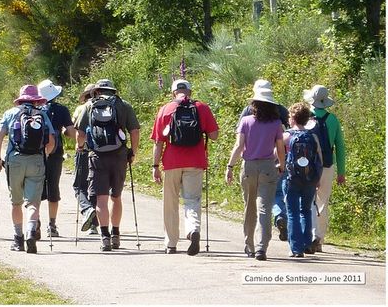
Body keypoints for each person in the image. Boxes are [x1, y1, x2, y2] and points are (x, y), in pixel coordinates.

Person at [151, 79, 219, 255]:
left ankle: (171, 243)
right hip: (195, 161)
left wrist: (155, 166)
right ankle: (193, 229)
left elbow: (158, 142)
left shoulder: (165, 109)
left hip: (171, 162)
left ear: (173, 92)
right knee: (192, 200)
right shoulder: (201, 107)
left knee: (170, 202)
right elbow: (214, 135)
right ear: (190, 91)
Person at [75, 78, 140, 252]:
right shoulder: (123, 105)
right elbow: (134, 131)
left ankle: (105, 237)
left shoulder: (89, 106)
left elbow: (80, 134)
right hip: (119, 156)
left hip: (97, 156)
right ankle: (116, 234)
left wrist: (80, 147)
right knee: (116, 197)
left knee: (101, 199)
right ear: (113, 91)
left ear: (96, 91)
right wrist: (132, 152)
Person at [226, 84, 286, 261]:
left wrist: (230, 166)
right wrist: (282, 165)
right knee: (265, 208)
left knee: (249, 207)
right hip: (268, 167)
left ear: (254, 104)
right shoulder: (276, 124)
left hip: (248, 167)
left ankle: (249, 245)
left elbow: (239, 146)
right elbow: (280, 148)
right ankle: (262, 247)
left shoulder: (246, 121)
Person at [0, 85, 56, 253]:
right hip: (36, 160)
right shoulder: (42, 114)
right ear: (36, 100)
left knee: (16, 202)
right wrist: (44, 155)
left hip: (15, 160)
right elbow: (51, 142)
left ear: (20, 99)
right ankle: (30, 232)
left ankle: (18, 239)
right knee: (33, 203)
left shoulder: (10, 113)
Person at [238, 79, 290, 242]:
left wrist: (231, 165)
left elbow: (239, 141)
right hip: (274, 160)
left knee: (250, 203)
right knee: (274, 196)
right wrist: (282, 162)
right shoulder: (281, 111)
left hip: (250, 163)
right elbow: (287, 136)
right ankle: (278, 217)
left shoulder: (248, 111)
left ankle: (250, 241)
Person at [304, 84, 346, 253]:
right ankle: (319, 239)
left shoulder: (305, 117)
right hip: (327, 165)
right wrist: (341, 172)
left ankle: (309, 236)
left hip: (308, 165)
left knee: (308, 200)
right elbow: (340, 146)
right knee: (323, 202)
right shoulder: (333, 119)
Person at [282, 102, 323, 258]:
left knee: (292, 212)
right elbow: (319, 159)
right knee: (306, 210)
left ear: (293, 118)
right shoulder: (313, 136)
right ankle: (306, 244)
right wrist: (317, 178)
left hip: (291, 178)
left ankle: (296, 248)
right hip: (310, 179)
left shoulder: (287, 136)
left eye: (289, 116)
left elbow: (275, 154)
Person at [37, 79, 77, 238]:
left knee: (35, 187)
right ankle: (52, 225)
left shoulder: (34, 109)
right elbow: (71, 132)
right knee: (53, 187)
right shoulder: (61, 110)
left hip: (36, 153)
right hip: (55, 153)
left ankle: (35, 223)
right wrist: (64, 133)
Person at [72, 83, 98, 234]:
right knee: (94, 187)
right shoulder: (107, 107)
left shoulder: (81, 109)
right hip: (101, 153)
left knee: (79, 186)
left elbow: (77, 131)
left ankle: (87, 209)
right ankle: (94, 225)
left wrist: (79, 146)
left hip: (84, 151)